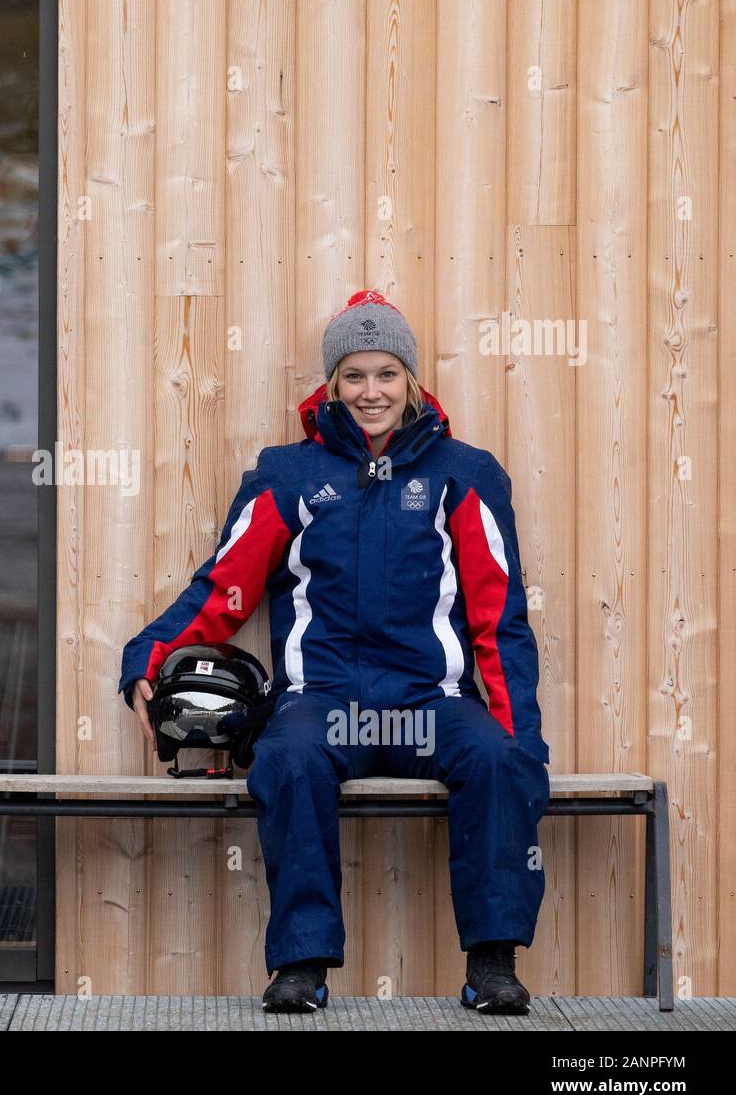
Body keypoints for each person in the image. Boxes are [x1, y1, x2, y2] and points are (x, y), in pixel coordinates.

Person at [117, 289, 551, 1016]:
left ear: (409, 380)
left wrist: (522, 736)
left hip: (427, 708)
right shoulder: (289, 476)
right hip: (325, 705)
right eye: (354, 375)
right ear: (331, 383)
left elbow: (498, 621)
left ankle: (493, 963)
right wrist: (148, 656)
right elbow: (225, 589)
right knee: (285, 758)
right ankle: (301, 964)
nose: (370, 392)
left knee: (500, 758)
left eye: (386, 373)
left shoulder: (464, 475)